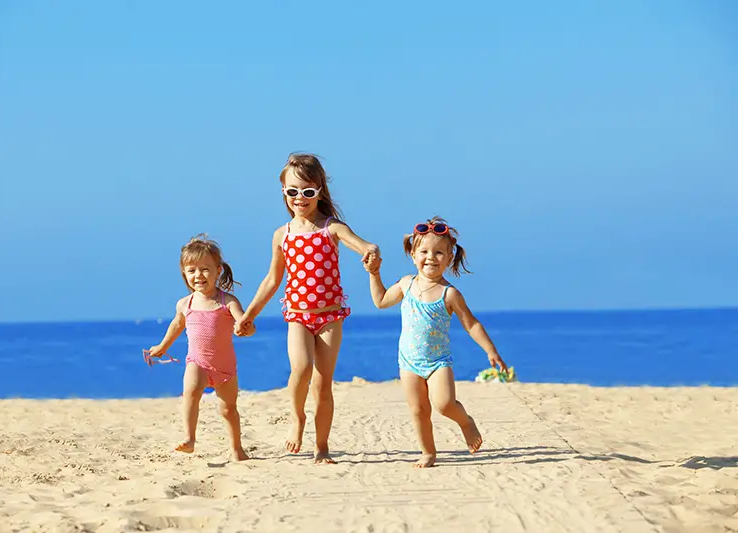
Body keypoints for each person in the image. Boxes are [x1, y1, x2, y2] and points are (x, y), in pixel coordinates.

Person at [234, 153, 379, 464]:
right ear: (284, 192)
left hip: (330, 316)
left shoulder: (331, 227)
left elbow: (359, 243)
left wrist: (370, 250)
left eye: (308, 192)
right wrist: (248, 315)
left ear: (320, 192)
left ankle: (322, 447)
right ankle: (297, 417)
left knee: (323, 383)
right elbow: (272, 280)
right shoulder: (282, 235)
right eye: (293, 191)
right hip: (298, 315)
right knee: (301, 370)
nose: (300, 198)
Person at [364, 217, 508, 468]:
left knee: (443, 404)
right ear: (412, 254)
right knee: (418, 410)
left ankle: (465, 422)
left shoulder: (449, 293)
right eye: (424, 251)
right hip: (408, 361)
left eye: (439, 252)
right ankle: (428, 452)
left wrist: (490, 350)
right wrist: (374, 274)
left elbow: (471, 324)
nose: (431, 257)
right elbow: (380, 301)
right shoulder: (406, 284)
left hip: (438, 361)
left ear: (450, 258)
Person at [147, 234, 255, 461]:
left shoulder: (228, 301)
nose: (198, 275)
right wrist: (162, 346)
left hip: (224, 367)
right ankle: (190, 438)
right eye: (192, 270)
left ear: (218, 271)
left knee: (228, 410)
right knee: (190, 393)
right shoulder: (185, 304)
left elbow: (243, 322)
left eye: (205, 269)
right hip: (197, 361)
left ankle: (237, 449)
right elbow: (176, 325)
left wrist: (245, 328)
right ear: (185, 274)